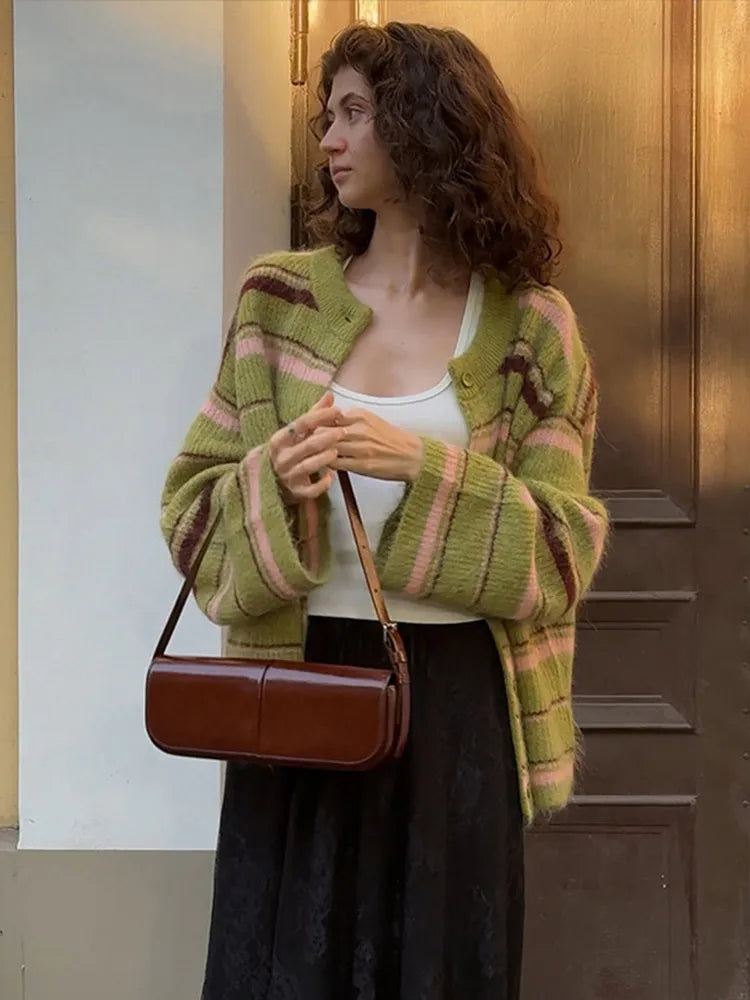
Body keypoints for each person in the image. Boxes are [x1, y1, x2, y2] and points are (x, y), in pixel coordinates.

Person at [160, 20, 608, 1000]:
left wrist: (425, 472)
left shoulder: (534, 327)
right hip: (298, 684)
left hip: (458, 714)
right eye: (330, 115)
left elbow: (563, 551)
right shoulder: (276, 302)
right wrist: (273, 473)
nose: (329, 139)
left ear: (425, 125)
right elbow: (191, 512)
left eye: (355, 113)